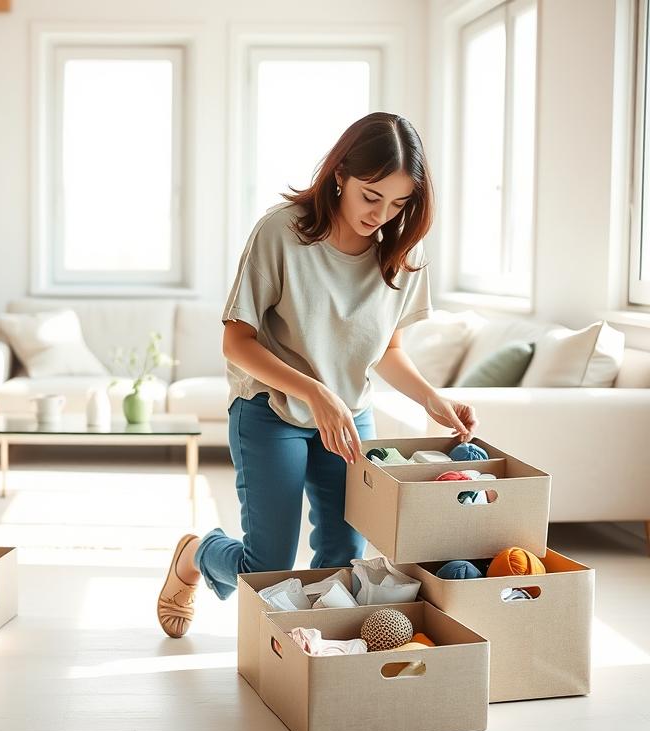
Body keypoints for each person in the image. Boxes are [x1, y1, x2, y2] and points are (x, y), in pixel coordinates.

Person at [156, 112, 479, 638]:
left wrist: (430, 399)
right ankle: (196, 554)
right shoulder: (280, 232)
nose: (381, 214)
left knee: (344, 557)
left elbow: (387, 348)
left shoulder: (400, 247)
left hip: (349, 416)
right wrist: (315, 392)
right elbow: (236, 342)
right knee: (268, 567)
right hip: (271, 409)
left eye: (399, 202)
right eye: (371, 195)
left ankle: (320, 661)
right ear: (340, 176)